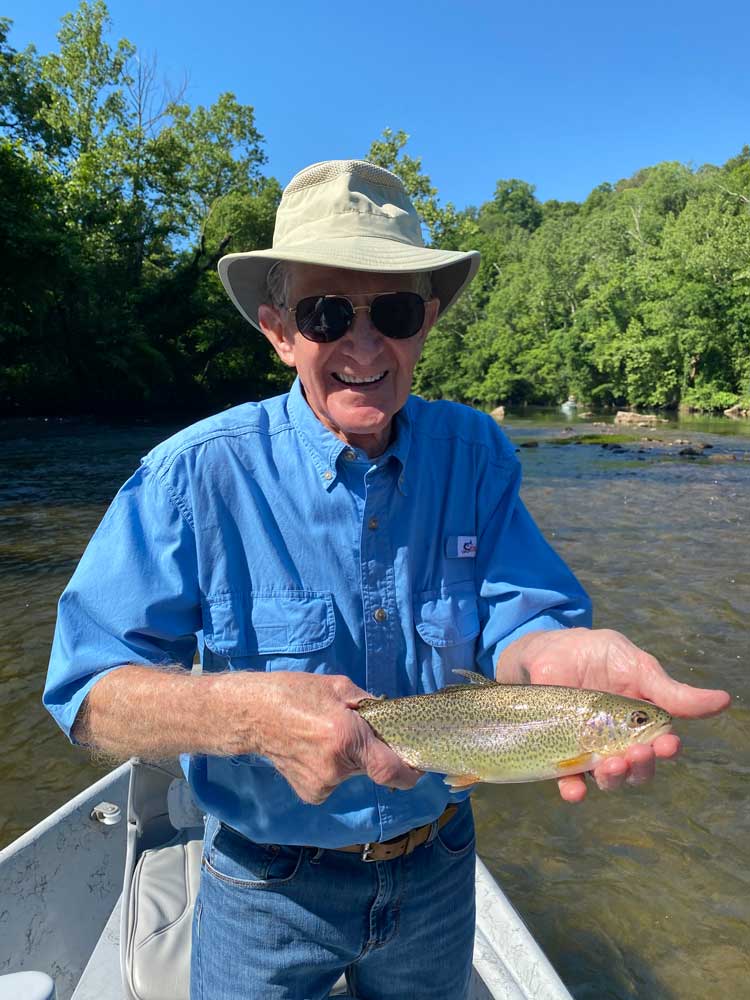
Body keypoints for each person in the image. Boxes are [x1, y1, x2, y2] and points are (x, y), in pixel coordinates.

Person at [44, 160, 730, 1000]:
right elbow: (86, 696)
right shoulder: (193, 476)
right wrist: (250, 716)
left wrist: (557, 654)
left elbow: (522, 628)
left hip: (438, 865)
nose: (364, 346)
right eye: (328, 313)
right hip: (263, 884)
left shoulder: (477, 456)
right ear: (278, 331)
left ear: (426, 322)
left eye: (394, 312)